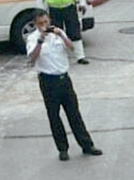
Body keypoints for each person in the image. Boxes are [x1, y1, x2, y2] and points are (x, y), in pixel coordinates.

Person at [26, 10, 102, 161]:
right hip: (48, 81)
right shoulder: (32, 38)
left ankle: (86, 145)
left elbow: (71, 48)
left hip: (64, 79)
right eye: (41, 23)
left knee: (74, 113)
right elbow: (32, 58)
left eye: (46, 22)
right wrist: (41, 40)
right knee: (54, 116)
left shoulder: (57, 32)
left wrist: (60, 35)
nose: (44, 26)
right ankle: (62, 149)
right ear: (35, 24)